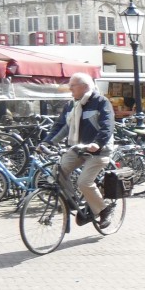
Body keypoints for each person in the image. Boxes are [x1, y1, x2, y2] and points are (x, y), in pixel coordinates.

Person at [49, 72, 116, 226]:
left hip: (99, 150)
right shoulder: (71, 105)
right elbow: (61, 126)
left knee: (84, 182)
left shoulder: (101, 102)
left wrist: (98, 143)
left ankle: (104, 210)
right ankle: (73, 202)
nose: (69, 88)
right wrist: (47, 142)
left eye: (72, 85)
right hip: (78, 148)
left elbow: (107, 125)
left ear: (84, 87)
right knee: (56, 172)